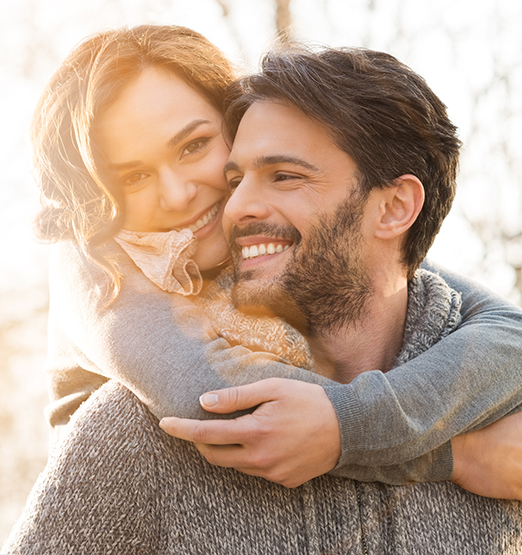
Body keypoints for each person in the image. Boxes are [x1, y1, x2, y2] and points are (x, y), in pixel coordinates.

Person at [4, 42, 522, 554]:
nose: (181, 194)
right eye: (134, 176)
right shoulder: (99, 276)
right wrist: (453, 456)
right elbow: (211, 399)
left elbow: (489, 318)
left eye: (194, 146)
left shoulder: (494, 413)